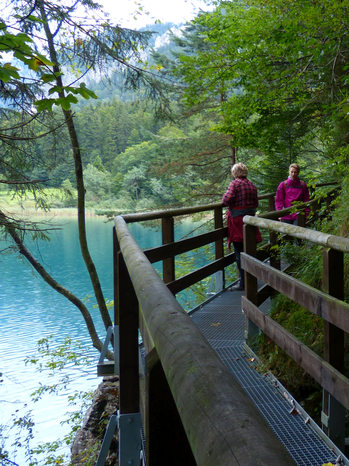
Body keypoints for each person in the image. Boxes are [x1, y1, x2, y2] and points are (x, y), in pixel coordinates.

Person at [222, 162, 262, 291]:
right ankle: (252, 279)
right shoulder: (251, 185)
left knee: (239, 252)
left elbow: (226, 200)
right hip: (250, 221)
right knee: (250, 250)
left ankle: (243, 284)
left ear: (235, 173)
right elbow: (256, 203)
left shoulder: (235, 183)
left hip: (238, 222)